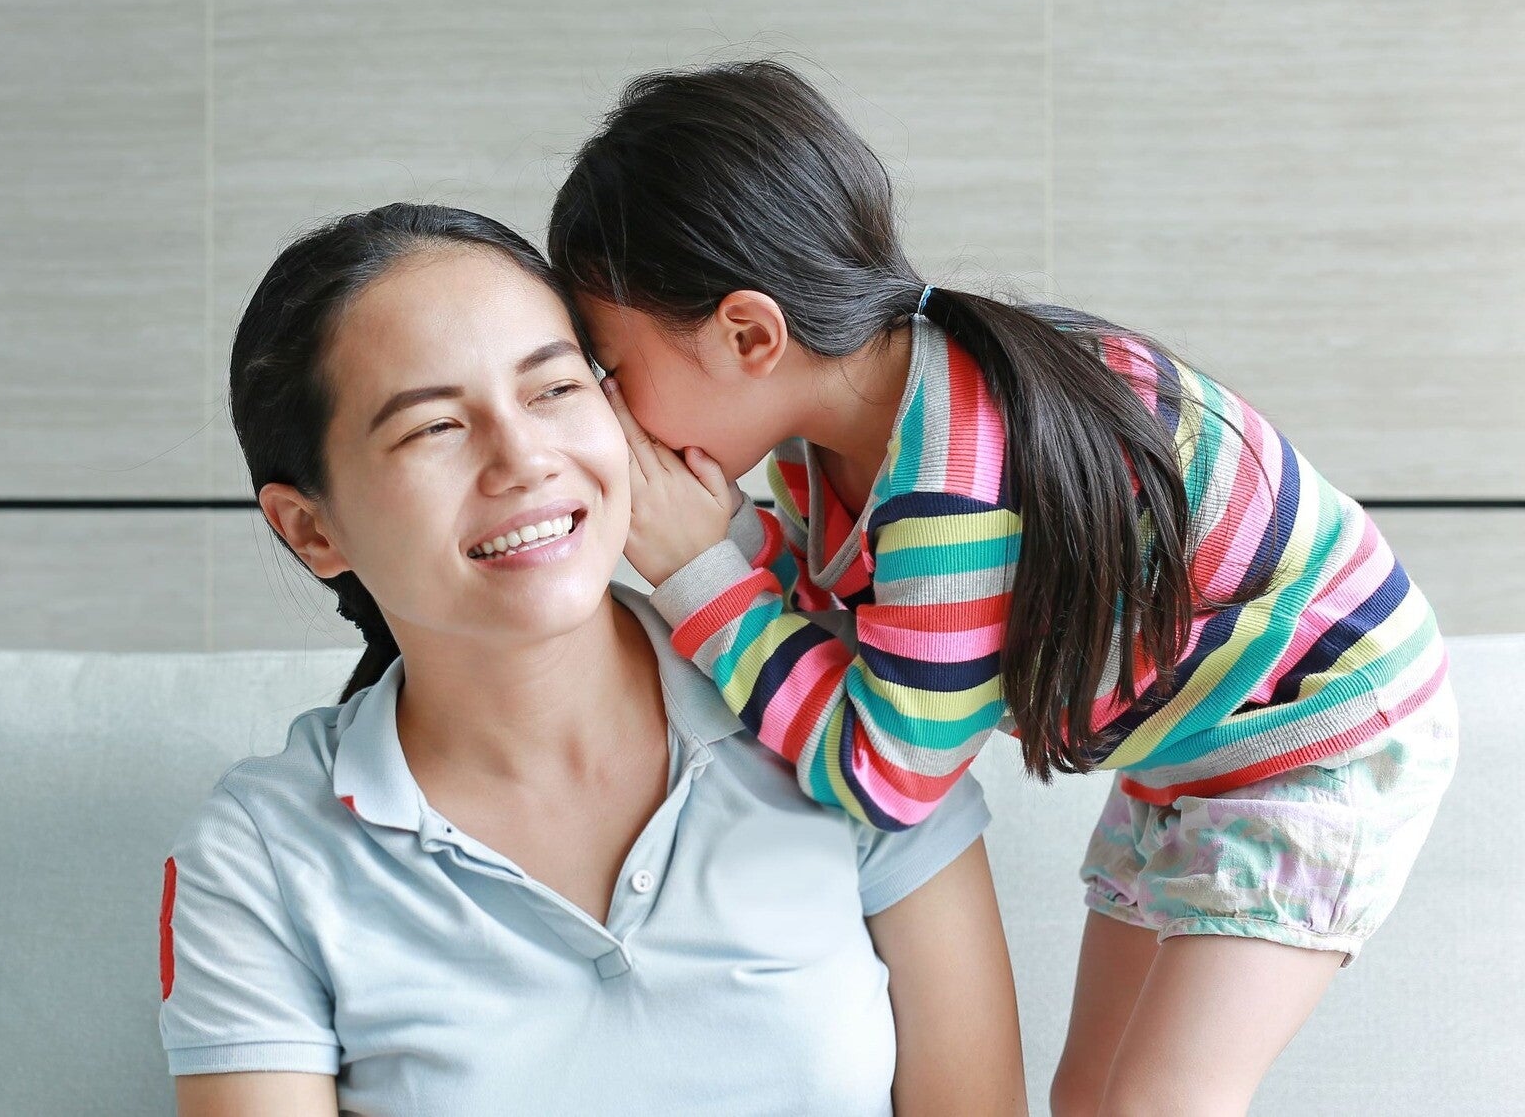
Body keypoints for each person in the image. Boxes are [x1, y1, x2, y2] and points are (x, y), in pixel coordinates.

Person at [545, 59, 1460, 1117]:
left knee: (1162, 1101)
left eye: (610, 363)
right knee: (1084, 1096)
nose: (606, 407)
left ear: (749, 335)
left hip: (1319, 734)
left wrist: (697, 569)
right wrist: (737, 537)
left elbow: (885, 771)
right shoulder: (838, 431)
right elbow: (863, 635)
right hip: (1198, 737)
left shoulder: (953, 487)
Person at [160, 202, 1028, 1116]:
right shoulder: (260, 857)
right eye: (433, 429)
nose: (523, 458)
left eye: (554, 390)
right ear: (312, 527)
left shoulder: (841, 716)